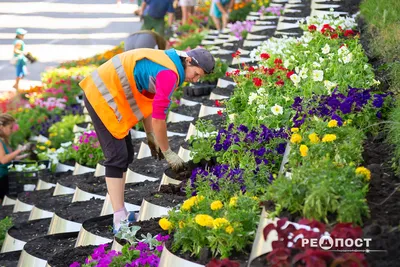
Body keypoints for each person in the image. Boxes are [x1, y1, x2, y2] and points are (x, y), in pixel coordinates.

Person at [79, 47, 215, 233]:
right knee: (117, 157)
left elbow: (147, 99)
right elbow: (159, 117)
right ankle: (119, 219)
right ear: (189, 61)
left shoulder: (168, 61)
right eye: (196, 74)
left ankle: (121, 213)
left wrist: (150, 134)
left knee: (125, 156)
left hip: (108, 93)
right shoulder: (169, 75)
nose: (195, 79)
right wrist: (168, 152)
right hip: (101, 96)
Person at [0, 114, 29, 201]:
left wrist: (24, 155)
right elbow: (3, 160)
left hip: (4, 177)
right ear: (1, 127)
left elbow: (9, 158)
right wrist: (19, 150)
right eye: (10, 128)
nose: (12, 131)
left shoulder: (3, 140)